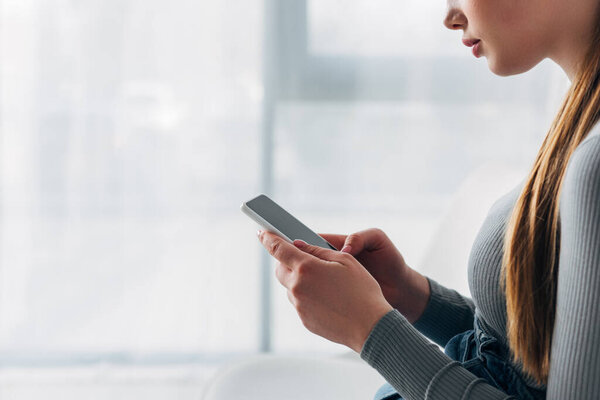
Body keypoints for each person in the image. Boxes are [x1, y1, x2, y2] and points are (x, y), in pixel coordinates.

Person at [257, 0, 600, 398]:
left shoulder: (594, 162)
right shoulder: (582, 113)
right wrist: (410, 294)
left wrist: (369, 329)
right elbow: (527, 359)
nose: (450, 16)